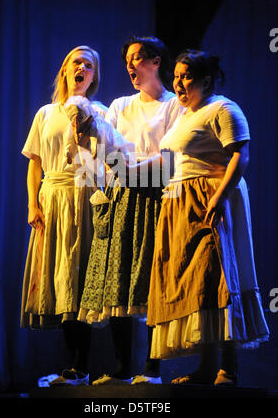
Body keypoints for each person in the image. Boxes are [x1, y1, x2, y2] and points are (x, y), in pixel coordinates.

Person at [144, 49, 269, 385]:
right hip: (179, 204)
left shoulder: (223, 108)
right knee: (198, 284)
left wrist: (218, 198)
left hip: (209, 201)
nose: (179, 83)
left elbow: (239, 156)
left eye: (187, 77)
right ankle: (205, 366)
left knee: (217, 278)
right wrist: (119, 169)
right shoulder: (183, 117)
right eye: (177, 76)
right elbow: (167, 164)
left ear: (206, 80)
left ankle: (228, 367)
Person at [78, 36, 185, 385]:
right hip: (122, 198)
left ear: (155, 62)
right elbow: (105, 149)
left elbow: (170, 159)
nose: (130, 65)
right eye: (127, 59)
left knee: (152, 280)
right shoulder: (120, 105)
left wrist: (129, 168)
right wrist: (118, 167)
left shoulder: (173, 107)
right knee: (118, 281)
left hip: (157, 199)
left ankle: (153, 368)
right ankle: (124, 366)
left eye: (137, 58)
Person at [20, 45, 112, 387]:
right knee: (59, 278)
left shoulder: (102, 112)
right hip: (54, 198)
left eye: (89, 65)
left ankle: (81, 364)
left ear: (94, 76)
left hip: (87, 195)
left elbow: (110, 159)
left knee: (82, 277)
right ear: (65, 70)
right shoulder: (46, 113)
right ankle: (73, 364)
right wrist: (33, 204)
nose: (83, 68)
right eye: (77, 62)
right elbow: (35, 162)